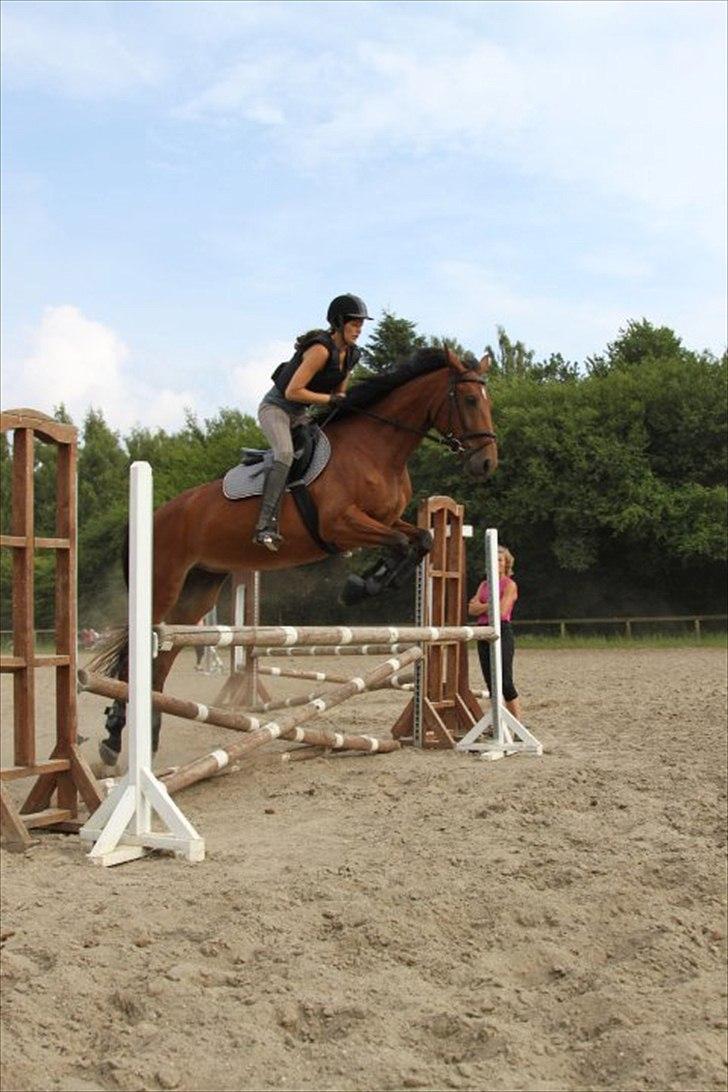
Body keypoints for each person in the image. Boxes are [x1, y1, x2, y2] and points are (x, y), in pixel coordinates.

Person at [252, 293, 372, 551]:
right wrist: (330, 400)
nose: (359, 329)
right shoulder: (319, 349)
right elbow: (292, 392)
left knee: (331, 451)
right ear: (339, 323)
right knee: (284, 454)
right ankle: (265, 525)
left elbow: (339, 394)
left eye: (362, 324)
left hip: (300, 413)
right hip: (277, 409)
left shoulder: (351, 354)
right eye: (354, 323)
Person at [468, 543, 525, 723]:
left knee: (505, 682)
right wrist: (492, 603)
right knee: (491, 684)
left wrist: (482, 606)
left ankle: (517, 724)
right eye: (493, 560)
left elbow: (501, 612)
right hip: (483, 632)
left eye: (500, 560)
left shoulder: (510, 585)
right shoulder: (484, 584)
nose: (496, 563)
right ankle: (498, 723)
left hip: (502, 631)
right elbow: (471, 609)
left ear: (506, 564)